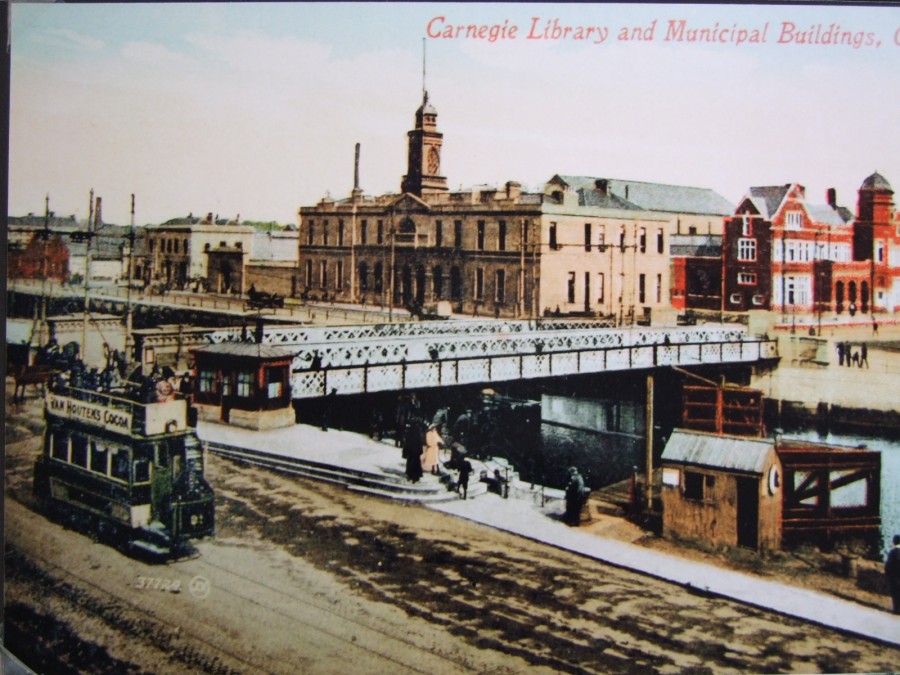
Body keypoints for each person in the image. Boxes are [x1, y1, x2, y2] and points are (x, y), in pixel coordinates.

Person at [885, 534, 900, 614]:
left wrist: (888, 574)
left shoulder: (893, 552)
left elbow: (889, 565)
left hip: (895, 577)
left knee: (895, 593)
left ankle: (897, 609)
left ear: (894, 541)